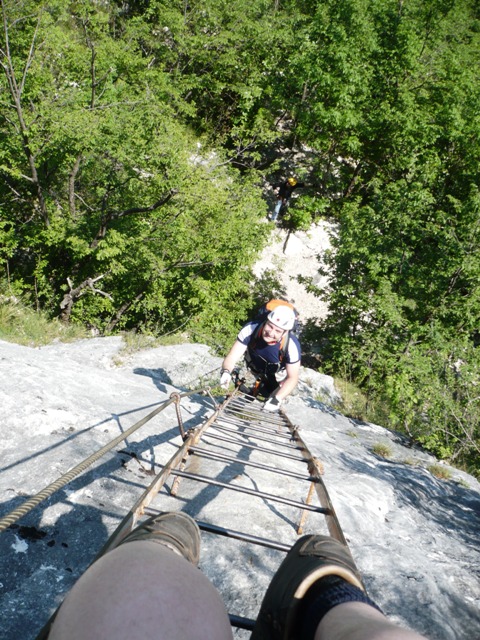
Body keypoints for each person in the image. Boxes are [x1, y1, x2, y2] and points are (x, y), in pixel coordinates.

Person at [47, 511, 428, 640]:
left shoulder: (281, 345)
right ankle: (324, 603)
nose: (272, 332)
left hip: (271, 379)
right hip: (259, 374)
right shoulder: (262, 336)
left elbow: (290, 374)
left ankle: (161, 551)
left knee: (145, 590)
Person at [220, 304, 301, 412]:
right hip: (253, 366)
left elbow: (293, 377)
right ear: (266, 321)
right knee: (247, 391)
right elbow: (232, 356)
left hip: (277, 374)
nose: (271, 333)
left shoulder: (291, 345)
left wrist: (277, 398)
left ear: (285, 332)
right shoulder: (251, 329)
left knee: (272, 401)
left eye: (277, 331)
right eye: (270, 326)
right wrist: (226, 371)